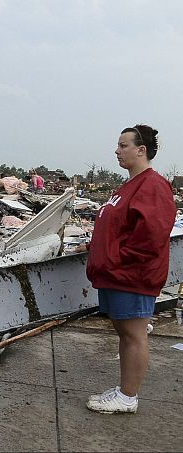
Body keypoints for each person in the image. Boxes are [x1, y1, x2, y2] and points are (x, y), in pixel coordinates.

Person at [81, 124, 175, 414]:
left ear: (141, 150)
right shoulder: (128, 185)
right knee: (124, 332)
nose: (117, 150)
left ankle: (128, 397)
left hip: (132, 276)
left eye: (123, 145)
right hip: (114, 273)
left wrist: (114, 257)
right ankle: (124, 389)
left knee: (134, 333)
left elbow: (151, 236)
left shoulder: (153, 185)